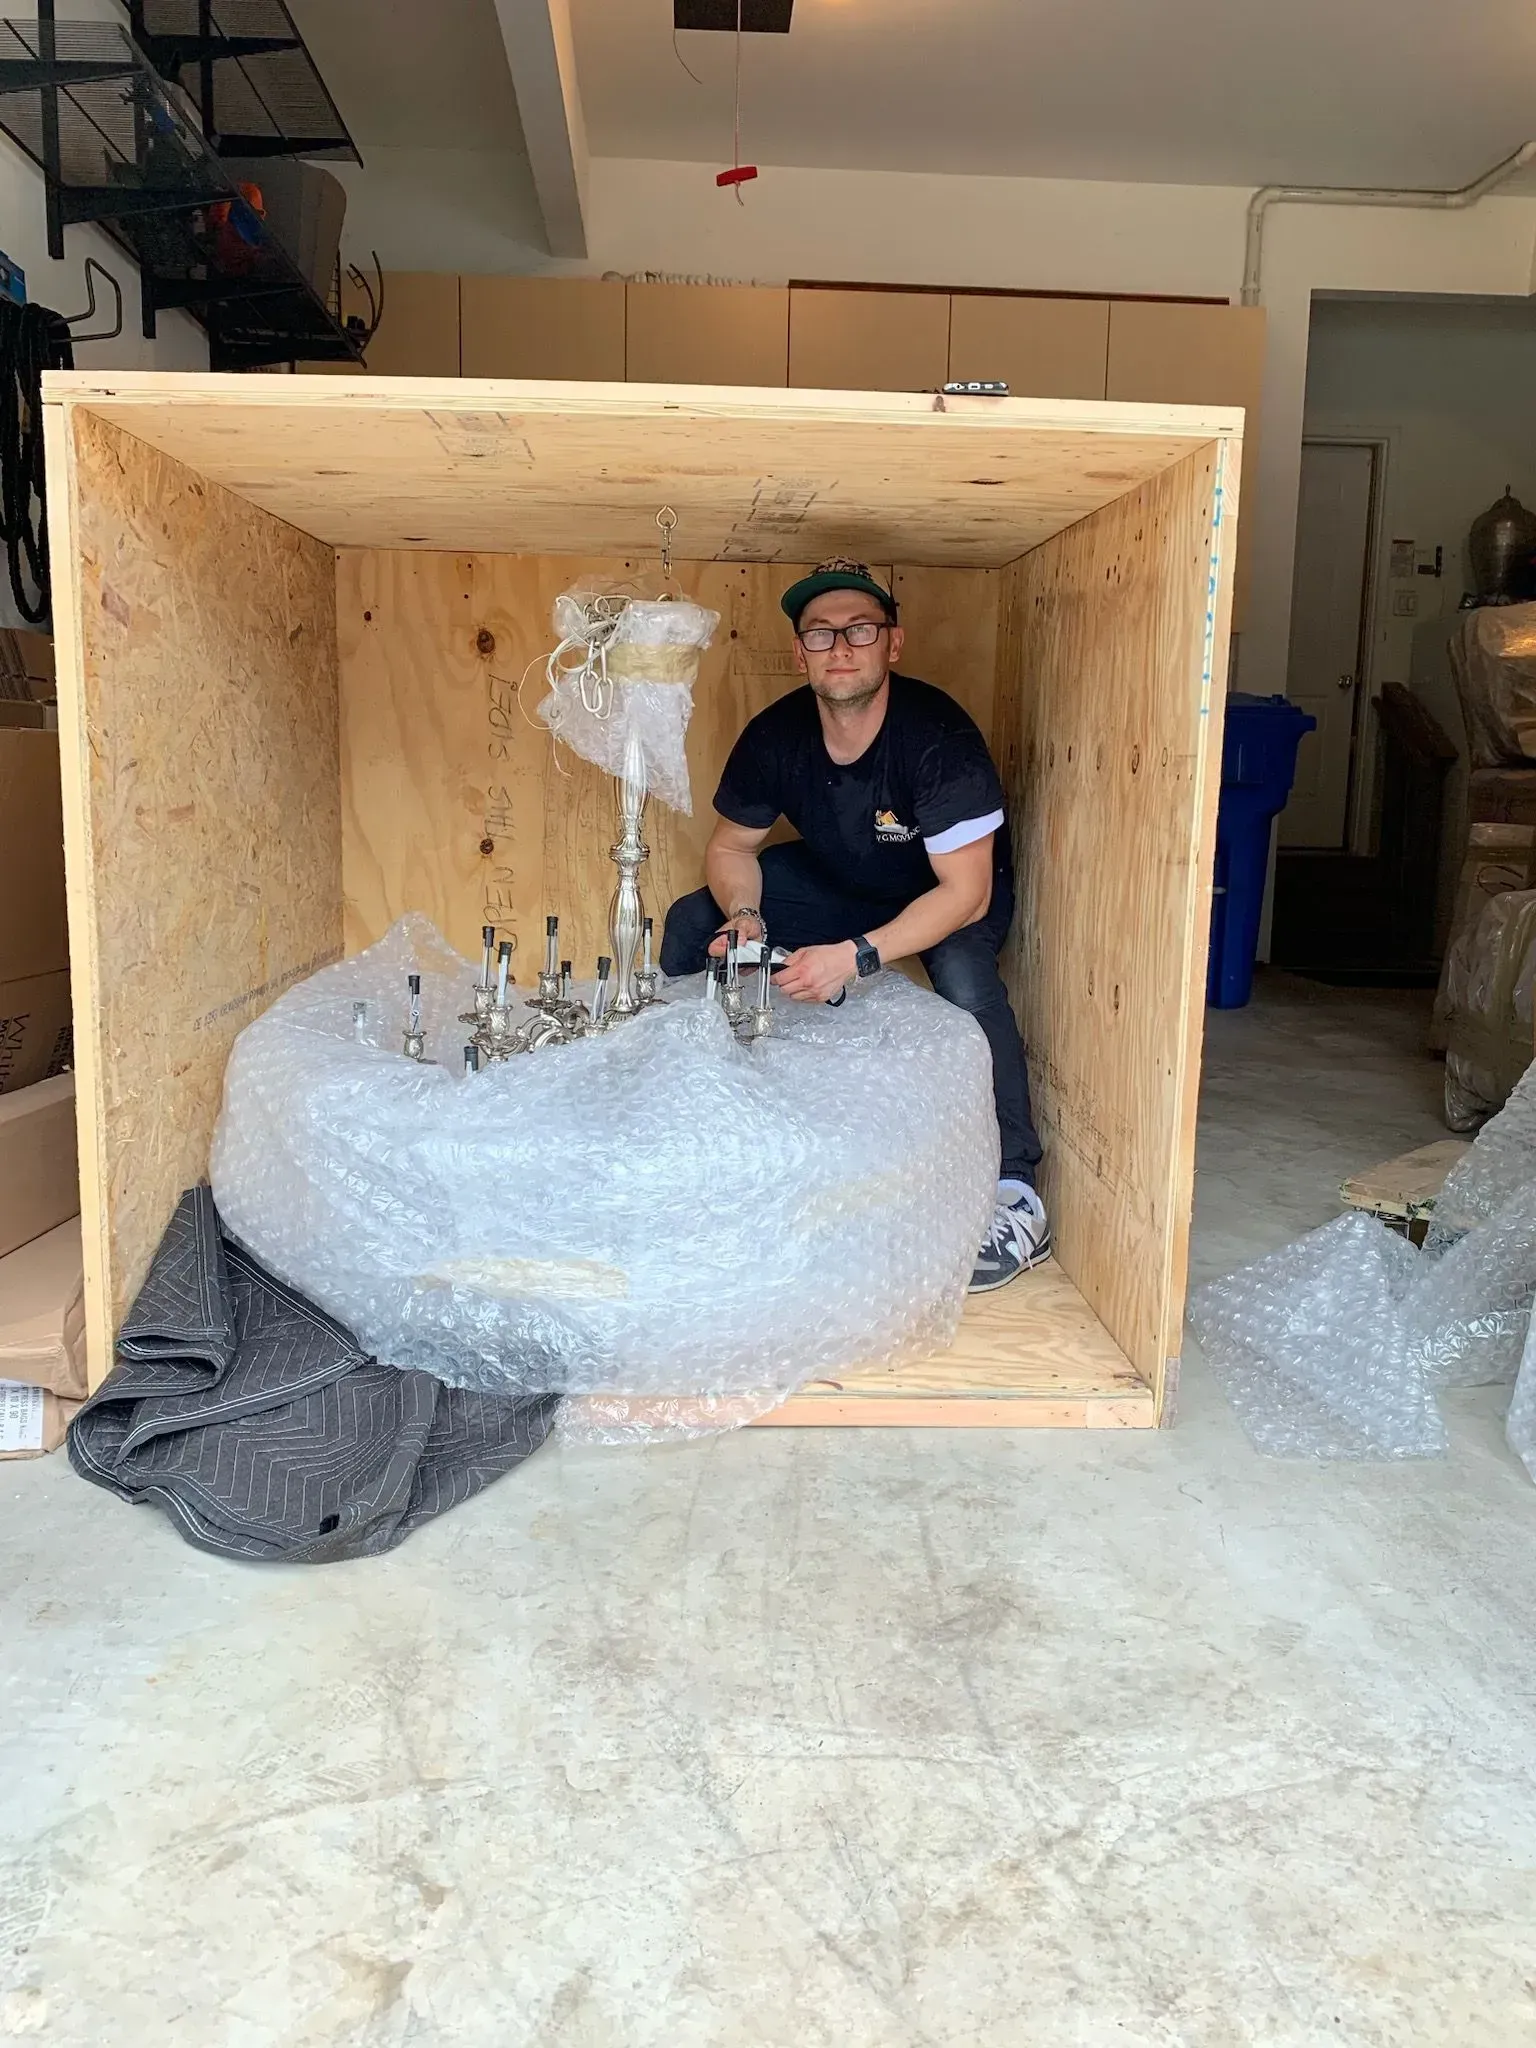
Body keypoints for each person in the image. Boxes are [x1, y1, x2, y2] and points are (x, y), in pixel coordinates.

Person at [660, 558, 1049, 1291]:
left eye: (860, 629)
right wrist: (746, 915)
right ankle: (685, 1116)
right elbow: (731, 848)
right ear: (800, 651)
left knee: (967, 980)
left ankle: (1018, 1193)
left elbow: (965, 894)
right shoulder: (776, 734)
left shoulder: (937, 738)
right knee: (693, 922)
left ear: (892, 644)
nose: (840, 647)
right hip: (842, 876)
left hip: (942, 889)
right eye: (820, 633)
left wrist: (857, 957)